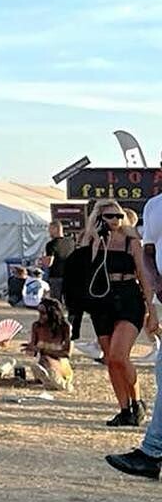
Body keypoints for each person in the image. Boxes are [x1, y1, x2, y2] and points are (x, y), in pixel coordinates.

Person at [65, 199, 148, 428]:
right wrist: (95, 237)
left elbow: (144, 276)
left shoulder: (132, 241)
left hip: (129, 298)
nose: (115, 220)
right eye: (109, 216)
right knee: (110, 359)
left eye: (118, 216)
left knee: (120, 355)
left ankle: (137, 401)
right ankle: (124, 409)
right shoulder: (93, 241)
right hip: (102, 301)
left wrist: (152, 311)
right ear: (99, 218)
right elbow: (81, 271)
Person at [106, 201, 162, 480]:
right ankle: (152, 451)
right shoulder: (154, 206)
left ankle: (152, 451)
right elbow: (150, 253)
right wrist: (157, 283)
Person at [16, 295, 74, 390]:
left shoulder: (65, 327)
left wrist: (43, 350)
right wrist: (31, 349)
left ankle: (60, 383)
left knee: (46, 359)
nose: (40, 316)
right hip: (43, 364)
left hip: (60, 365)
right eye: (39, 312)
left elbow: (67, 354)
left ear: (52, 313)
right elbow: (34, 351)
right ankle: (48, 381)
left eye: (43, 313)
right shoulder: (36, 326)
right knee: (40, 363)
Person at [43, 217, 80, 337]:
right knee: (70, 304)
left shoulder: (51, 244)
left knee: (56, 303)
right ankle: (71, 327)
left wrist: (41, 261)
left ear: (55, 229)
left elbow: (49, 262)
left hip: (56, 276)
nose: (49, 232)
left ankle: (57, 326)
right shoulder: (71, 242)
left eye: (50, 229)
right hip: (71, 276)